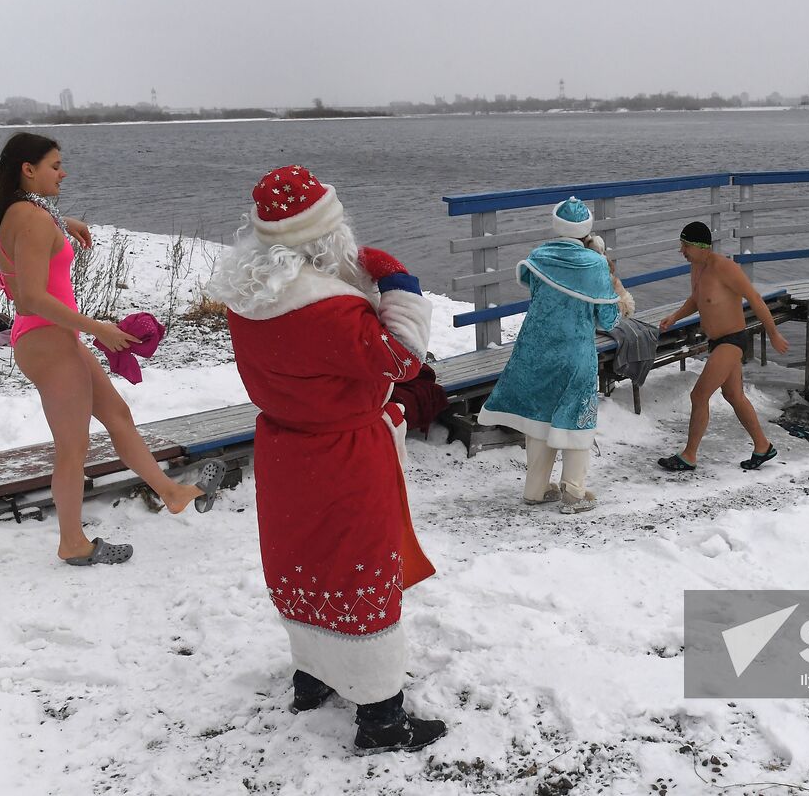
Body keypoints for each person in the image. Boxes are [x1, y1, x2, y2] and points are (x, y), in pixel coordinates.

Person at [208, 164, 445, 754]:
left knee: (303, 560)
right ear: (326, 238)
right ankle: (381, 717)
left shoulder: (248, 296)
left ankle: (313, 674)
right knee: (359, 567)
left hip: (286, 449)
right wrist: (402, 288)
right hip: (344, 454)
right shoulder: (333, 311)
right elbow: (404, 361)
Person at [0, 132, 223, 566]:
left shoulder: (23, 211)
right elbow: (32, 298)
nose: (64, 172)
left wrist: (64, 223)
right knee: (72, 449)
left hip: (52, 338)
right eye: (55, 165)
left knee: (117, 416)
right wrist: (101, 328)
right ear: (28, 169)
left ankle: (170, 493)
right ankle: (72, 542)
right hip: (47, 341)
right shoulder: (33, 220)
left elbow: (32, 241)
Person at [478, 197, 621, 514]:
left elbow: (534, 289)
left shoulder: (538, 257)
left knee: (539, 416)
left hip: (536, 346)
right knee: (577, 415)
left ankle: (536, 488)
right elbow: (608, 318)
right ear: (587, 228)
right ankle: (573, 492)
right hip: (575, 349)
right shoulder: (594, 263)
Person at [657, 221, 789, 472]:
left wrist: (773, 333)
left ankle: (689, 455)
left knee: (699, 395)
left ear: (700, 246)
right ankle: (763, 446)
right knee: (733, 395)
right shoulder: (696, 267)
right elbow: (697, 299)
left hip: (732, 341)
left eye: (685, 246)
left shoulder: (726, 268)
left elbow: (755, 300)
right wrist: (674, 317)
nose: (681, 251)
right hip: (716, 341)